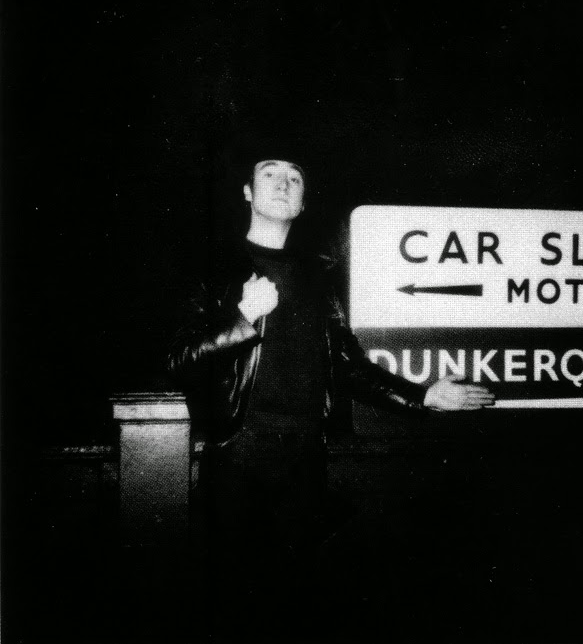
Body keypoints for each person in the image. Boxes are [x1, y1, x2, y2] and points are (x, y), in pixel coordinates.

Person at [167, 155, 495, 642]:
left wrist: (423, 396)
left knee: (301, 607)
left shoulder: (318, 275)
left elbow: (348, 366)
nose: (283, 183)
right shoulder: (214, 267)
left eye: (294, 178)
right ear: (248, 192)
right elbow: (178, 361)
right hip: (236, 457)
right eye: (269, 173)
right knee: (234, 607)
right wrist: (241, 319)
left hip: (305, 458)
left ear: (303, 202)